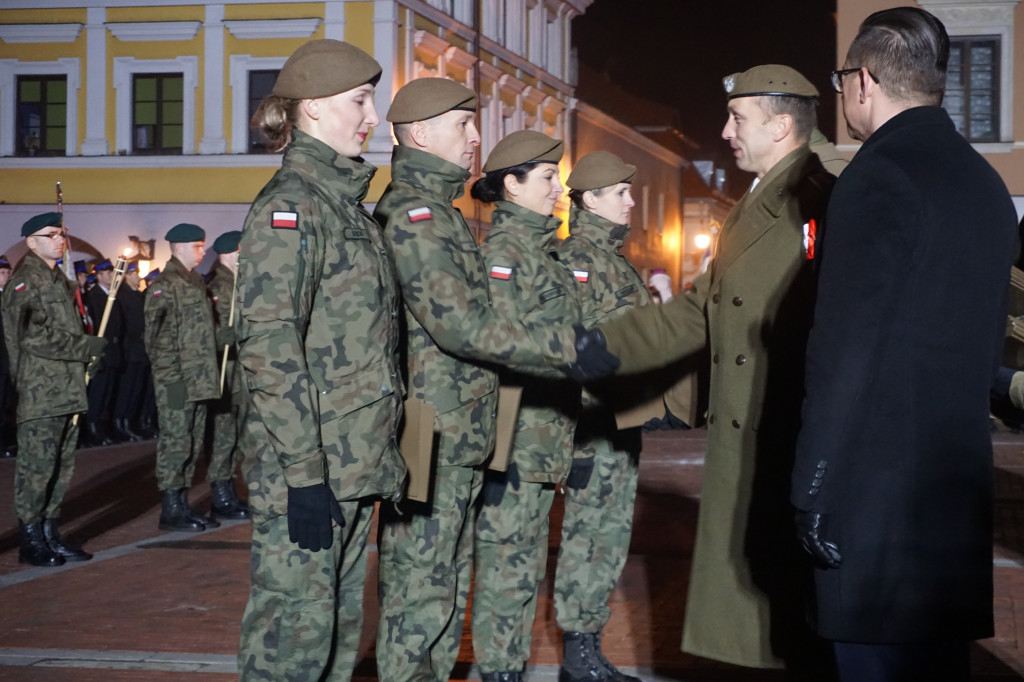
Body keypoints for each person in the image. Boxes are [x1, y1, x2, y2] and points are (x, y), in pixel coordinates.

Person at [571, 65, 838, 677]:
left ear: (781, 124)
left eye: (738, 119)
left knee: (792, 609)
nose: (724, 132)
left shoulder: (823, 191)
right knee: (759, 598)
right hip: (753, 427)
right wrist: (604, 347)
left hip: (788, 429)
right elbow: (701, 307)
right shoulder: (764, 195)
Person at [790, 8, 1017, 680]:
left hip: (874, 509)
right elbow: (983, 350)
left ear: (863, 81)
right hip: (952, 501)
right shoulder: (985, 184)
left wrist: (812, 487)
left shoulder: (875, 177)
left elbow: (843, 350)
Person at [374, 79, 579, 682]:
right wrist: (564, 349)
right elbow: (461, 325)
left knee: (445, 594)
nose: (474, 139)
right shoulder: (415, 215)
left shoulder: (443, 213)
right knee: (419, 601)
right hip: (425, 431)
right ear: (419, 134)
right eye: (461, 126)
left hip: (454, 429)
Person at [234, 39, 406, 682]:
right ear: (309, 110)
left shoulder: (343, 205)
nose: (371, 116)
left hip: (352, 458)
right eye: (360, 101)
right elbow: (270, 345)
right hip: (309, 468)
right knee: (292, 643)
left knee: (332, 641)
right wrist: (305, 476)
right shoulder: (293, 205)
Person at [469, 130, 583, 682]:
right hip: (515, 448)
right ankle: (500, 672)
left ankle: (507, 669)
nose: (559, 189)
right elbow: (499, 355)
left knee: (522, 570)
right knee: (505, 575)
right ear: (511, 185)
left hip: (542, 444)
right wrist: (498, 453)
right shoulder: (503, 257)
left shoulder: (541, 252)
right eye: (546, 178)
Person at [553, 151, 649, 682]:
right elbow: (572, 354)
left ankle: (588, 649)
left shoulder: (614, 260)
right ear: (590, 199)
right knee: (588, 541)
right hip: (592, 431)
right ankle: (576, 655)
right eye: (620, 192)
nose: (631, 200)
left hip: (618, 428)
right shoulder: (576, 261)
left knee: (608, 541)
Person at [2, 212, 106, 566]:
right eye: (52, 235)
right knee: (37, 467)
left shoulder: (59, 280)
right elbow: (29, 335)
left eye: (62, 234)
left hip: (66, 387)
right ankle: (30, 539)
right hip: (40, 390)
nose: (61, 240)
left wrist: (88, 355)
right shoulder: (25, 281)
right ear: (32, 242)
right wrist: (82, 348)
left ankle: (50, 532)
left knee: (61, 466)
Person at [144, 223, 221, 533]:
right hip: (176, 381)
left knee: (190, 443)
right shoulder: (165, 285)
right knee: (176, 443)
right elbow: (157, 339)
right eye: (196, 246)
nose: (202, 252)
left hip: (199, 378)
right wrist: (171, 380)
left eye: (202, 246)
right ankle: (171, 509)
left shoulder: (195, 282)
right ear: (177, 248)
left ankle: (183, 503)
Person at [204, 230, 249, 520]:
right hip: (223, 371)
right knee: (222, 435)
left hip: (240, 371)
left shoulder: (240, 284)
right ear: (231, 253)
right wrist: (225, 336)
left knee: (236, 436)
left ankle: (230, 492)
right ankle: (220, 496)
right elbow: (207, 333)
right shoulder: (217, 287)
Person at [83, 259, 124, 446]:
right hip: (102, 352)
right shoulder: (95, 296)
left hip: (113, 351)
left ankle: (100, 425)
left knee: (107, 394)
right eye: (107, 272)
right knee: (97, 394)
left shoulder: (111, 295)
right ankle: (92, 427)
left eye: (112, 271)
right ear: (98, 276)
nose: (111, 274)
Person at [112, 262, 147, 441]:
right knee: (126, 390)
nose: (138, 276)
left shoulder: (138, 295)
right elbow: (125, 323)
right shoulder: (123, 296)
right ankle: (120, 421)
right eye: (135, 273)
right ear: (127, 275)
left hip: (141, 350)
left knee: (136, 390)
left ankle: (129, 420)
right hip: (130, 349)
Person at [0, 255, 15, 458]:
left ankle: (4, 440)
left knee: (6, 403)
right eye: (2, 273)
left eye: (7, 272)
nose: (6, 276)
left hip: (9, 359)